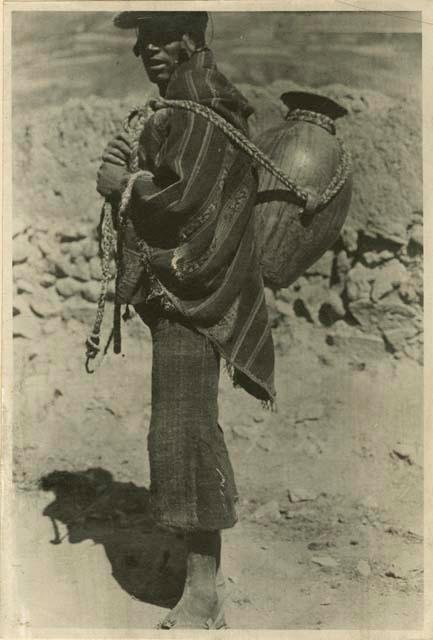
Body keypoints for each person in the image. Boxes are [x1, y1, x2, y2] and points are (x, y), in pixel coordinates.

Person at [96, 11, 275, 629]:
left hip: (194, 298)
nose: (149, 50)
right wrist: (134, 167)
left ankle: (203, 594)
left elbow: (183, 200)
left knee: (185, 431)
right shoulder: (186, 108)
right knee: (180, 428)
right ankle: (197, 582)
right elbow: (170, 186)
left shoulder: (201, 109)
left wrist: (121, 183)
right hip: (182, 295)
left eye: (161, 37)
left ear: (192, 39)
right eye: (142, 42)